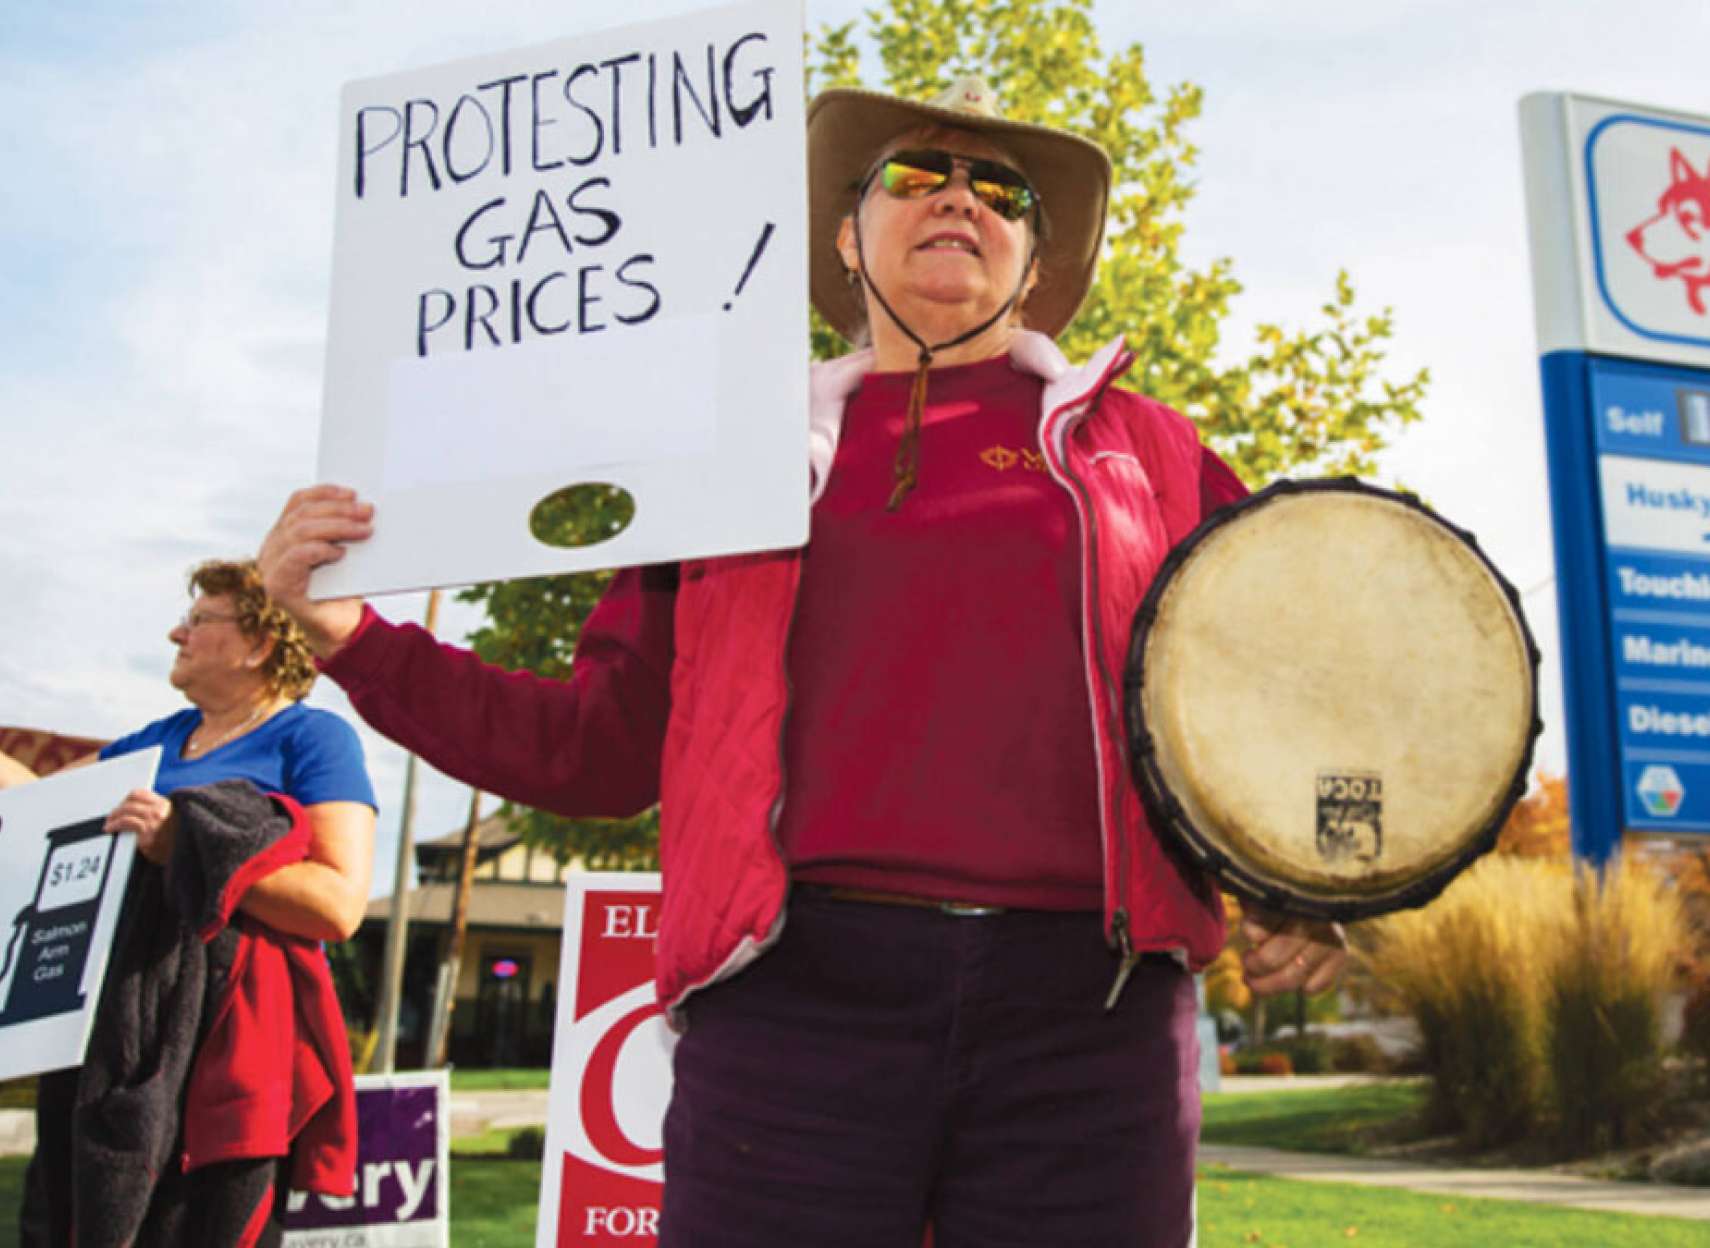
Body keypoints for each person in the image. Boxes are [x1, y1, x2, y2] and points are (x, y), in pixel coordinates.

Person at [260, 78, 1345, 1248]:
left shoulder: (1155, 451)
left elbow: (1285, 678)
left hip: (1094, 1022)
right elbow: (600, 749)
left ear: (1033, 263)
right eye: (917, 176)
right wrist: (358, 645)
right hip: (792, 1014)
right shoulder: (728, 465)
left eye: (1001, 190)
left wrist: (1312, 876)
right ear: (845, 234)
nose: (960, 201)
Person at [6, 558, 377, 1247]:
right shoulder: (153, 741)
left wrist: (189, 847)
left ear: (261, 642)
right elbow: (38, 807)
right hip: (108, 1050)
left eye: (200, 620)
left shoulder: (314, 739)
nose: (177, 633)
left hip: (222, 1058)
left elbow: (338, 905)